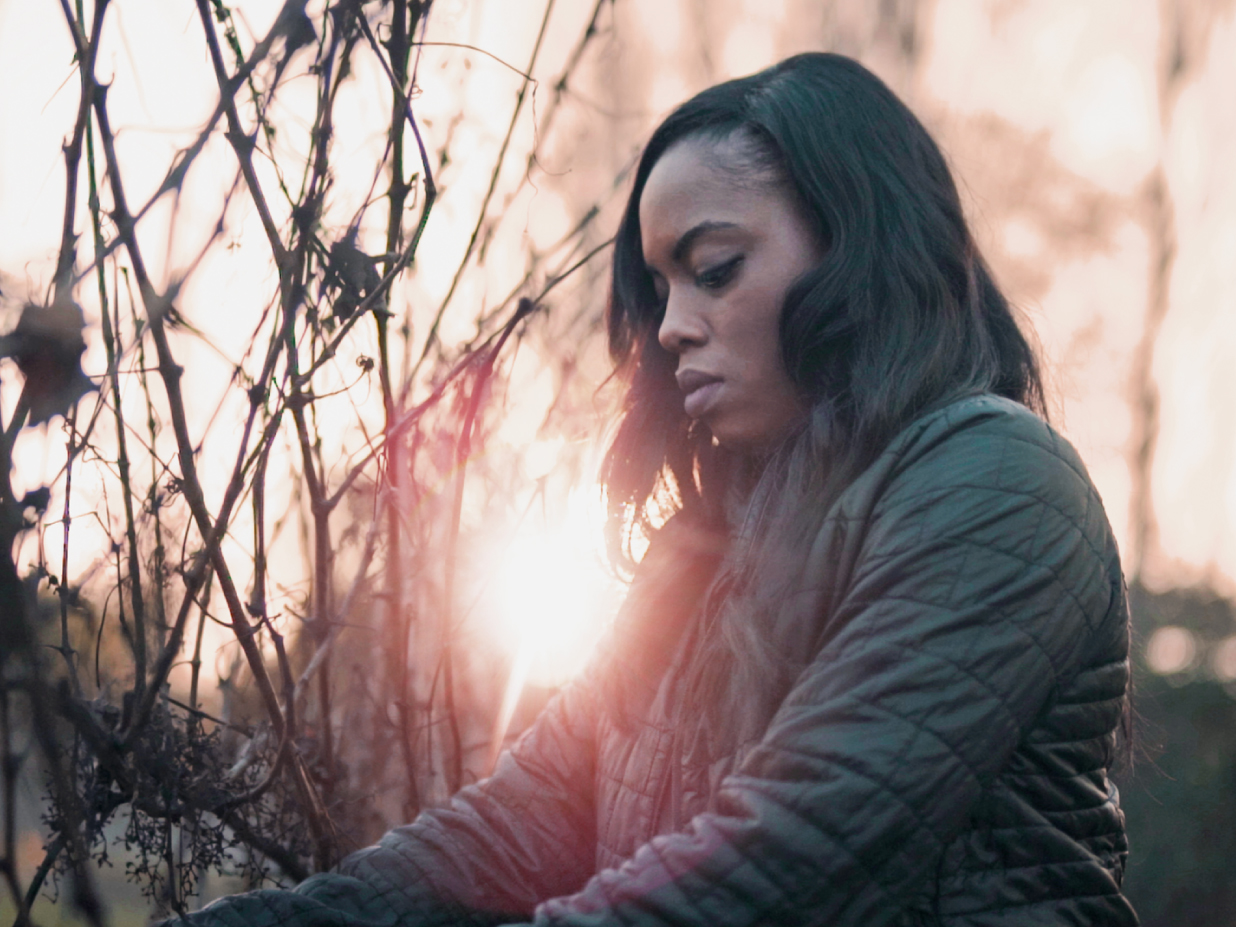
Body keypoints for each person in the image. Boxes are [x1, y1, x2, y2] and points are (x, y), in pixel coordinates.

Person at [172, 52, 1138, 927]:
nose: (672, 325)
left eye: (714, 269)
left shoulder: (1000, 486)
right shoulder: (697, 553)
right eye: (661, 288)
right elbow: (513, 828)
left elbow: (789, 863)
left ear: (858, 253)